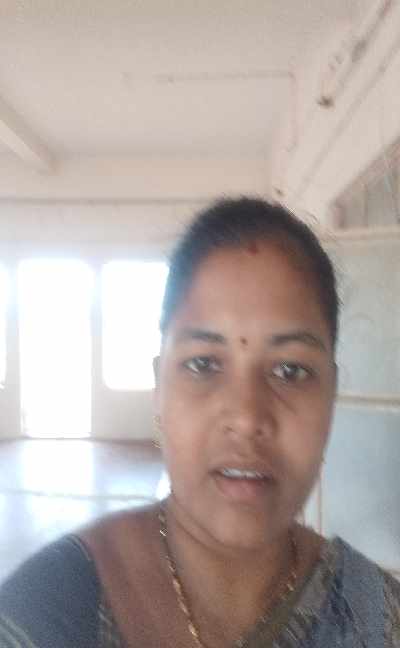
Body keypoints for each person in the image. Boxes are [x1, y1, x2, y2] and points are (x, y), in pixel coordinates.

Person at [0, 197, 399, 647]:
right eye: (203, 364)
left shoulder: (379, 619)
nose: (246, 418)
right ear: (159, 388)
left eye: (290, 371)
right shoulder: (43, 616)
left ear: (330, 394)